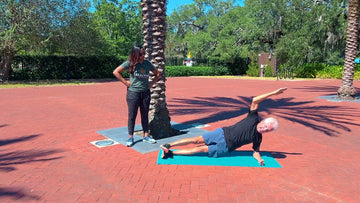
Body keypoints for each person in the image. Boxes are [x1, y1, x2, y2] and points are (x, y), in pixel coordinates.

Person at [160, 87, 287, 165]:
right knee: (196, 139)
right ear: (263, 121)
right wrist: (274, 93)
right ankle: (168, 145)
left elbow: (255, 152)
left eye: (267, 130)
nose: (264, 129)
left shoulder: (258, 138)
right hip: (221, 133)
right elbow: (255, 100)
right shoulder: (253, 118)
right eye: (265, 126)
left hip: (225, 147)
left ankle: (171, 154)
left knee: (202, 149)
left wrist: (259, 160)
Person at [113, 45, 160, 147]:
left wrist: (151, 84)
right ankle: (130, 137)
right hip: (133, 94)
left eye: (144, 53)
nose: (143, 56)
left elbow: (157, 74)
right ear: (136, 54)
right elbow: (116, 72)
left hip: (145, 93)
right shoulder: (130, 63)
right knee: (132, 116)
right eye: (141, 54)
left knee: (144, 114)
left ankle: (146, 136)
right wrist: (126, 83)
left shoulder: (147, 64)